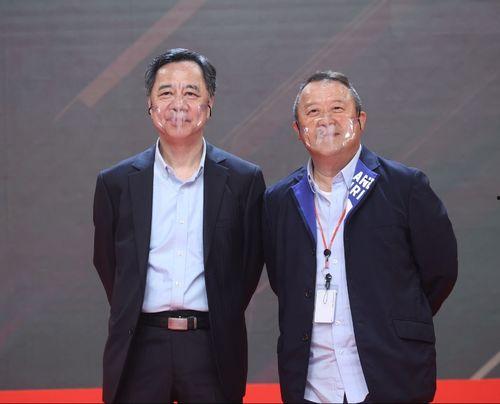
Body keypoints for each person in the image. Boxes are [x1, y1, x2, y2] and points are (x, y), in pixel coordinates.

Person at [262, 71, 458, 403]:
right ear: (297, 129)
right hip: (312, 385)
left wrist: (393, 317)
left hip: (393, 376)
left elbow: (440, 272)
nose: (326, 120)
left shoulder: (405, 187)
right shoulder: (279, 200)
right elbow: (283, 280)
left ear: (360, 120)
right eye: (313, 112)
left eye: (338, 108)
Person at [93, 48, 265, 403]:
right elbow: (109, 265)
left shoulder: (244, 181)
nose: (178, 104)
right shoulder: (116, 182)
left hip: (212, 346)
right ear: (150, 103)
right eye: (166, 92)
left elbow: (248, 267)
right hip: (140, 347)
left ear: (209, 103)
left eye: (191, 92)